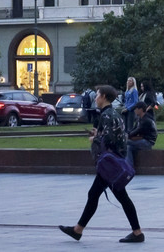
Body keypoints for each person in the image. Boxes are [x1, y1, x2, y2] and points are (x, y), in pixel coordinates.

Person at [58, 84, 144, 244]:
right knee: (117, 196)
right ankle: (137, 232)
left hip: (110, 163)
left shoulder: (107, 115)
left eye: (97, 94)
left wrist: (95, 138)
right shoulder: (112, 113)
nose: (95, 98)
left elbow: (110, 139)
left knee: (97, 195)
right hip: (114, 162)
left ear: (104, 97)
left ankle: (78, 230)